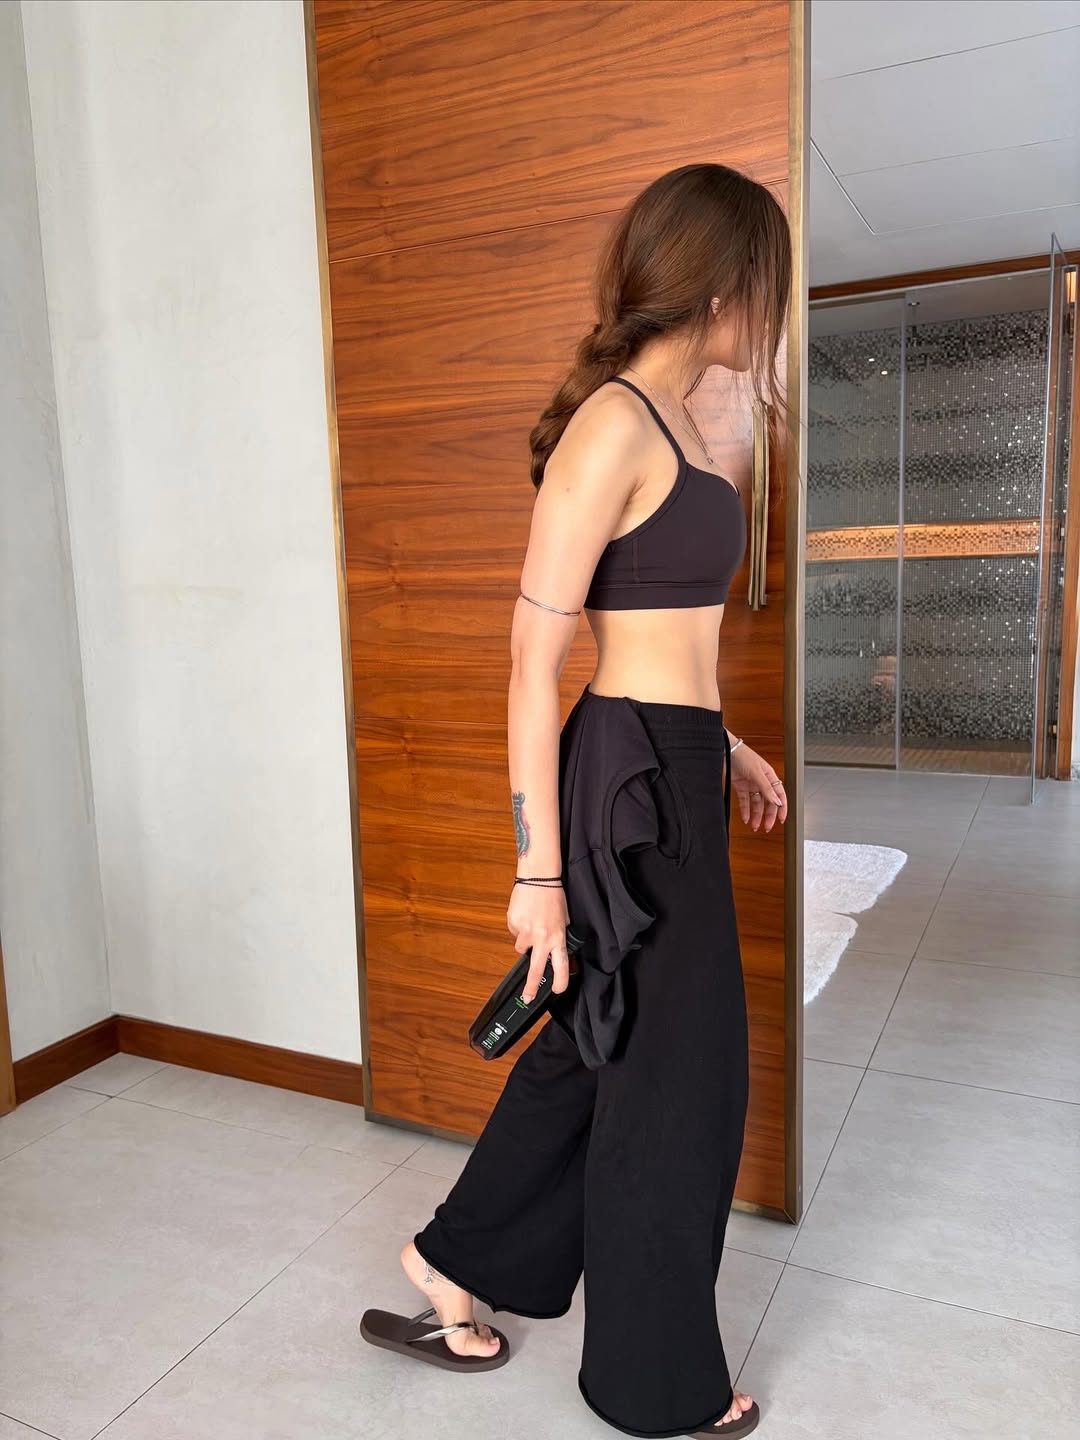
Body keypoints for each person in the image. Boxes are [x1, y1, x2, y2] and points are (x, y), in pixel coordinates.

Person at [360, 162, 791, 1439]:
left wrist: (730, 743)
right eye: (766, 284)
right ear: (723, 283)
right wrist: (537, 872)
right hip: (628, 781)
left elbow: (666, 624)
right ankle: (655, 1387)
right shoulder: (615, 424)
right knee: (678, 1083)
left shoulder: (682, 423)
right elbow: (532, 656)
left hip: (677, 757)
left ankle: (453, 1259)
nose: (771, 311)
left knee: (602, 1037)